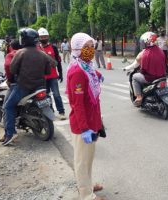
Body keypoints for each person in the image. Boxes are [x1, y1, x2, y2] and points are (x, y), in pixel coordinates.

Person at [66, 32, 105, 200]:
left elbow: (90, 73)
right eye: (86, 47)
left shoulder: (86, 66)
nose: (90, 50)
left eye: (92, 46)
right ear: (77, 49)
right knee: (82, 161)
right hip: (84, 124)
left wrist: (97, 75)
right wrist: (84, 129)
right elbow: (78, 104)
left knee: (88, 158)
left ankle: (87, 185)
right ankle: (86, 194)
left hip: (92, 120)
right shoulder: (77, 71)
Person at [2, 28, 54, 146]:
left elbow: (12, 69)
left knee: (8, 107)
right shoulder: (42, 53)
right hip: (40, 86)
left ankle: (10, 133)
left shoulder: (20, 52)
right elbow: (47, 70)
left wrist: (12, 78)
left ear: (24, 39)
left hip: (24, 87)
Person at [124, 32, 167, 106]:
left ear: (146, 42)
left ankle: (139, 97)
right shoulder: (161, 51)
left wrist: (126, 68)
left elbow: (135, 65)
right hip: (162, 76)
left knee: (134, 77)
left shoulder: (143, 53)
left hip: (150, 78)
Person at [0, 39, 22, 143]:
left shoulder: (11, 55)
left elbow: (7, 66)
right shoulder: (28, 52)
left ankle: (10, 133)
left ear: (10, 46)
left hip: (19, 85)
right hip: (37, 84)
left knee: (7, 107)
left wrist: (10, 80)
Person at [38, 28, 66, 120]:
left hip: (53, 76)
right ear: (39, 38)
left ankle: (61, 112)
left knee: (56, 94)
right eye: (41, 37)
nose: (43, 38)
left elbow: (58, 60)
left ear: (48, 37)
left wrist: (61, 73)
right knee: (46, 96)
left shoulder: (53, 48)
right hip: (42, 78)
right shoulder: (37, 48)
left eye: (45, 36)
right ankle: (50, 112)